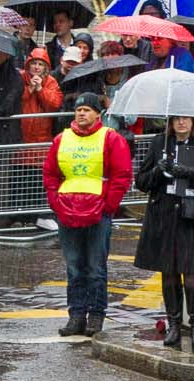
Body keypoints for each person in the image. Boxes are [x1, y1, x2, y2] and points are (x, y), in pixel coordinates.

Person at [134, 114, 194, 351]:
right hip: (164, 214)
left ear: (193, 122)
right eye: (176, 119)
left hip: (193, 214)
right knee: (169, 272)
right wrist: (157, 171)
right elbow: (141, 181)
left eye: (185, 119)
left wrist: (190, 173)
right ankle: (174, 323)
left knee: (193, 272)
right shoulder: (159, 142)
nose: (181, 124)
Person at [43, 93, 132, 337]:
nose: (82, 113)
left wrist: (108, 206)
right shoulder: (62, 139)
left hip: (97, 213)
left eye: (87, 110)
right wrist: (56, 203)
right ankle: (76, 315)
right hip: (68, 211)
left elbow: (122, 175)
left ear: (97, 114)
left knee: (95, 267)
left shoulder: (111, 139)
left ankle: (96, 316)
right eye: (78, 109)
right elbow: (50, 173)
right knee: (74, 267)